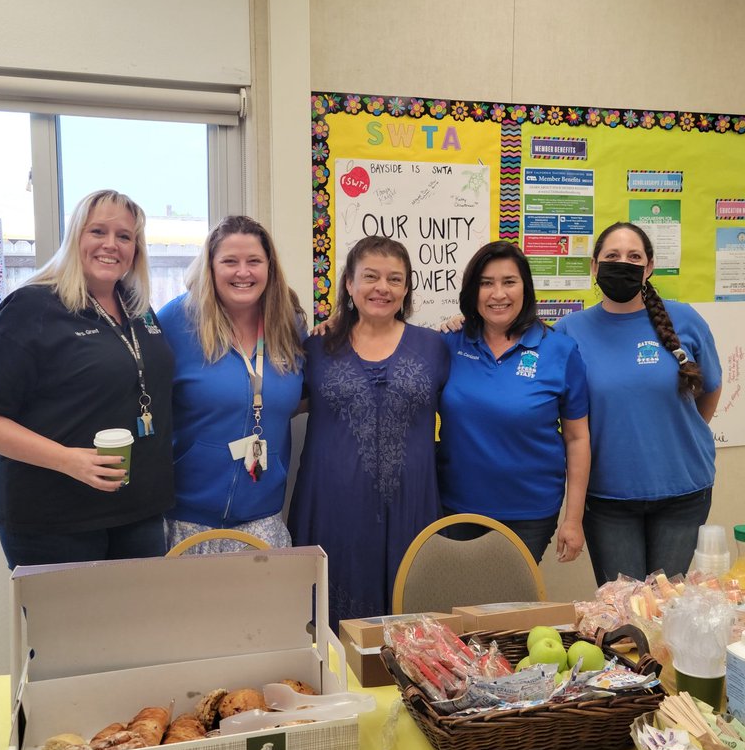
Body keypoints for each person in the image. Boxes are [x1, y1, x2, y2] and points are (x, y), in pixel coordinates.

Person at [0, 190, 174, 567]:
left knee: (139, 626)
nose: (111, 245)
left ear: (136, 250)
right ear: (76, 236)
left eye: (124, 237)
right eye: (98, 232)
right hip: (55, 518)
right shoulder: (31, 307)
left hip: (136, 510)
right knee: (71, 628)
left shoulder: (138, 308)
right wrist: (68, 461)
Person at [289, 236, 450, 628]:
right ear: (348, 283)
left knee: (411, 628)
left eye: (395, 279)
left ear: (407, 287)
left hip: (412, 507)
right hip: (332, 508)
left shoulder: (435, 347)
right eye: (371, 277)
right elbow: (282, 402)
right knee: (332, 629)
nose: (383, 288)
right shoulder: (317, 347)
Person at [556, 221, 722, 584]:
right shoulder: (570, 330)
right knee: (623, 618)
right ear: (594, 267)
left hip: (684, 491)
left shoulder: (685, 319)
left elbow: (710, 387)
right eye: (612, 256)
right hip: (607, 499)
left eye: (634, 256)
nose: (623, 263)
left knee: (666, 611)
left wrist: (680, 432)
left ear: (649, 267)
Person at [157, 215, 305, 554]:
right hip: (185, 520)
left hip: (263, 519)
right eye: (229, 261)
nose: (243, 272)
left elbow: (310, 392)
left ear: (270, 268)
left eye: (254, 261)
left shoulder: (289, 327)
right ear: (210, 267)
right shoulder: (176, 322)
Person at [437, 241, 590, 564]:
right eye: (486, 283)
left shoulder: (560, 350)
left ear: (525, 288)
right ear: (471, 290)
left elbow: (577, 438)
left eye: (509, 282)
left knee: (508, 607)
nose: (498, 294)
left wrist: (573, 520)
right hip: (456, 506)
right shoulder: (447, 344)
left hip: (530, 512)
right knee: (459, 603)